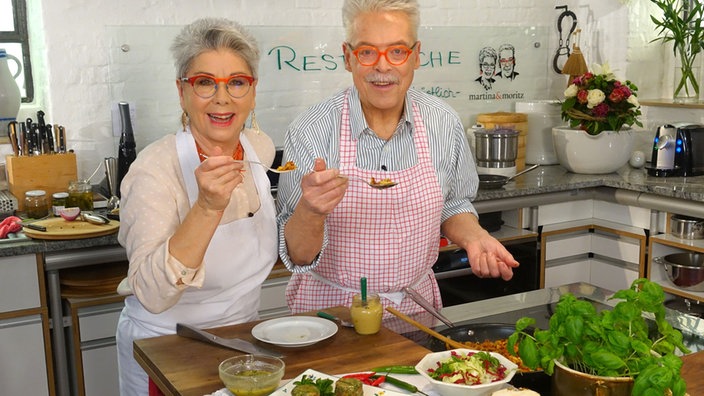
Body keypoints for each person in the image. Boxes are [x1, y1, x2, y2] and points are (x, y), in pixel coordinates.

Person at [276, 0, 519, 319]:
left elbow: (453, 204)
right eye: (367, 52)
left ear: (416, 55)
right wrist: (311, 210)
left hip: (416, 309)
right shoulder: (311, 130)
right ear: (348, 57)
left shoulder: (442, 122)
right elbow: (295, 255)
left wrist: (476, 238)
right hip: (330, 315)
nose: (382, 66)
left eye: (397, 51)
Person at [115, 18, 277, 396]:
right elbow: (152, 294)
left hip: (241, 347)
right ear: (182, 91)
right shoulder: (154, 171)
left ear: (252, 92)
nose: (223, 98)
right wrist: (206, 207)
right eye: (205, 82)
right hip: (166, 350)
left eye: (237, 82)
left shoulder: (259, 149)